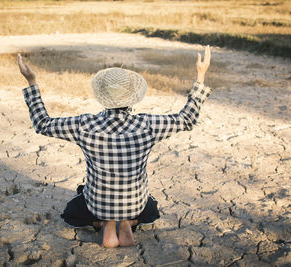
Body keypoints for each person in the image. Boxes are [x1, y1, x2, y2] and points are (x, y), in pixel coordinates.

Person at [17, 45, 211, 248]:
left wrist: (31, 82)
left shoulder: (85, 125)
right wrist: (201, 75)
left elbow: (43, 124)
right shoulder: (147, 125)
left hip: (98, 204)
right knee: (151, 208)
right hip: (135, 205)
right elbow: (187, 119)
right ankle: (128, 222)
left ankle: (105, 224)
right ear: (132, 96)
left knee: (72, 210)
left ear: (103, 97)